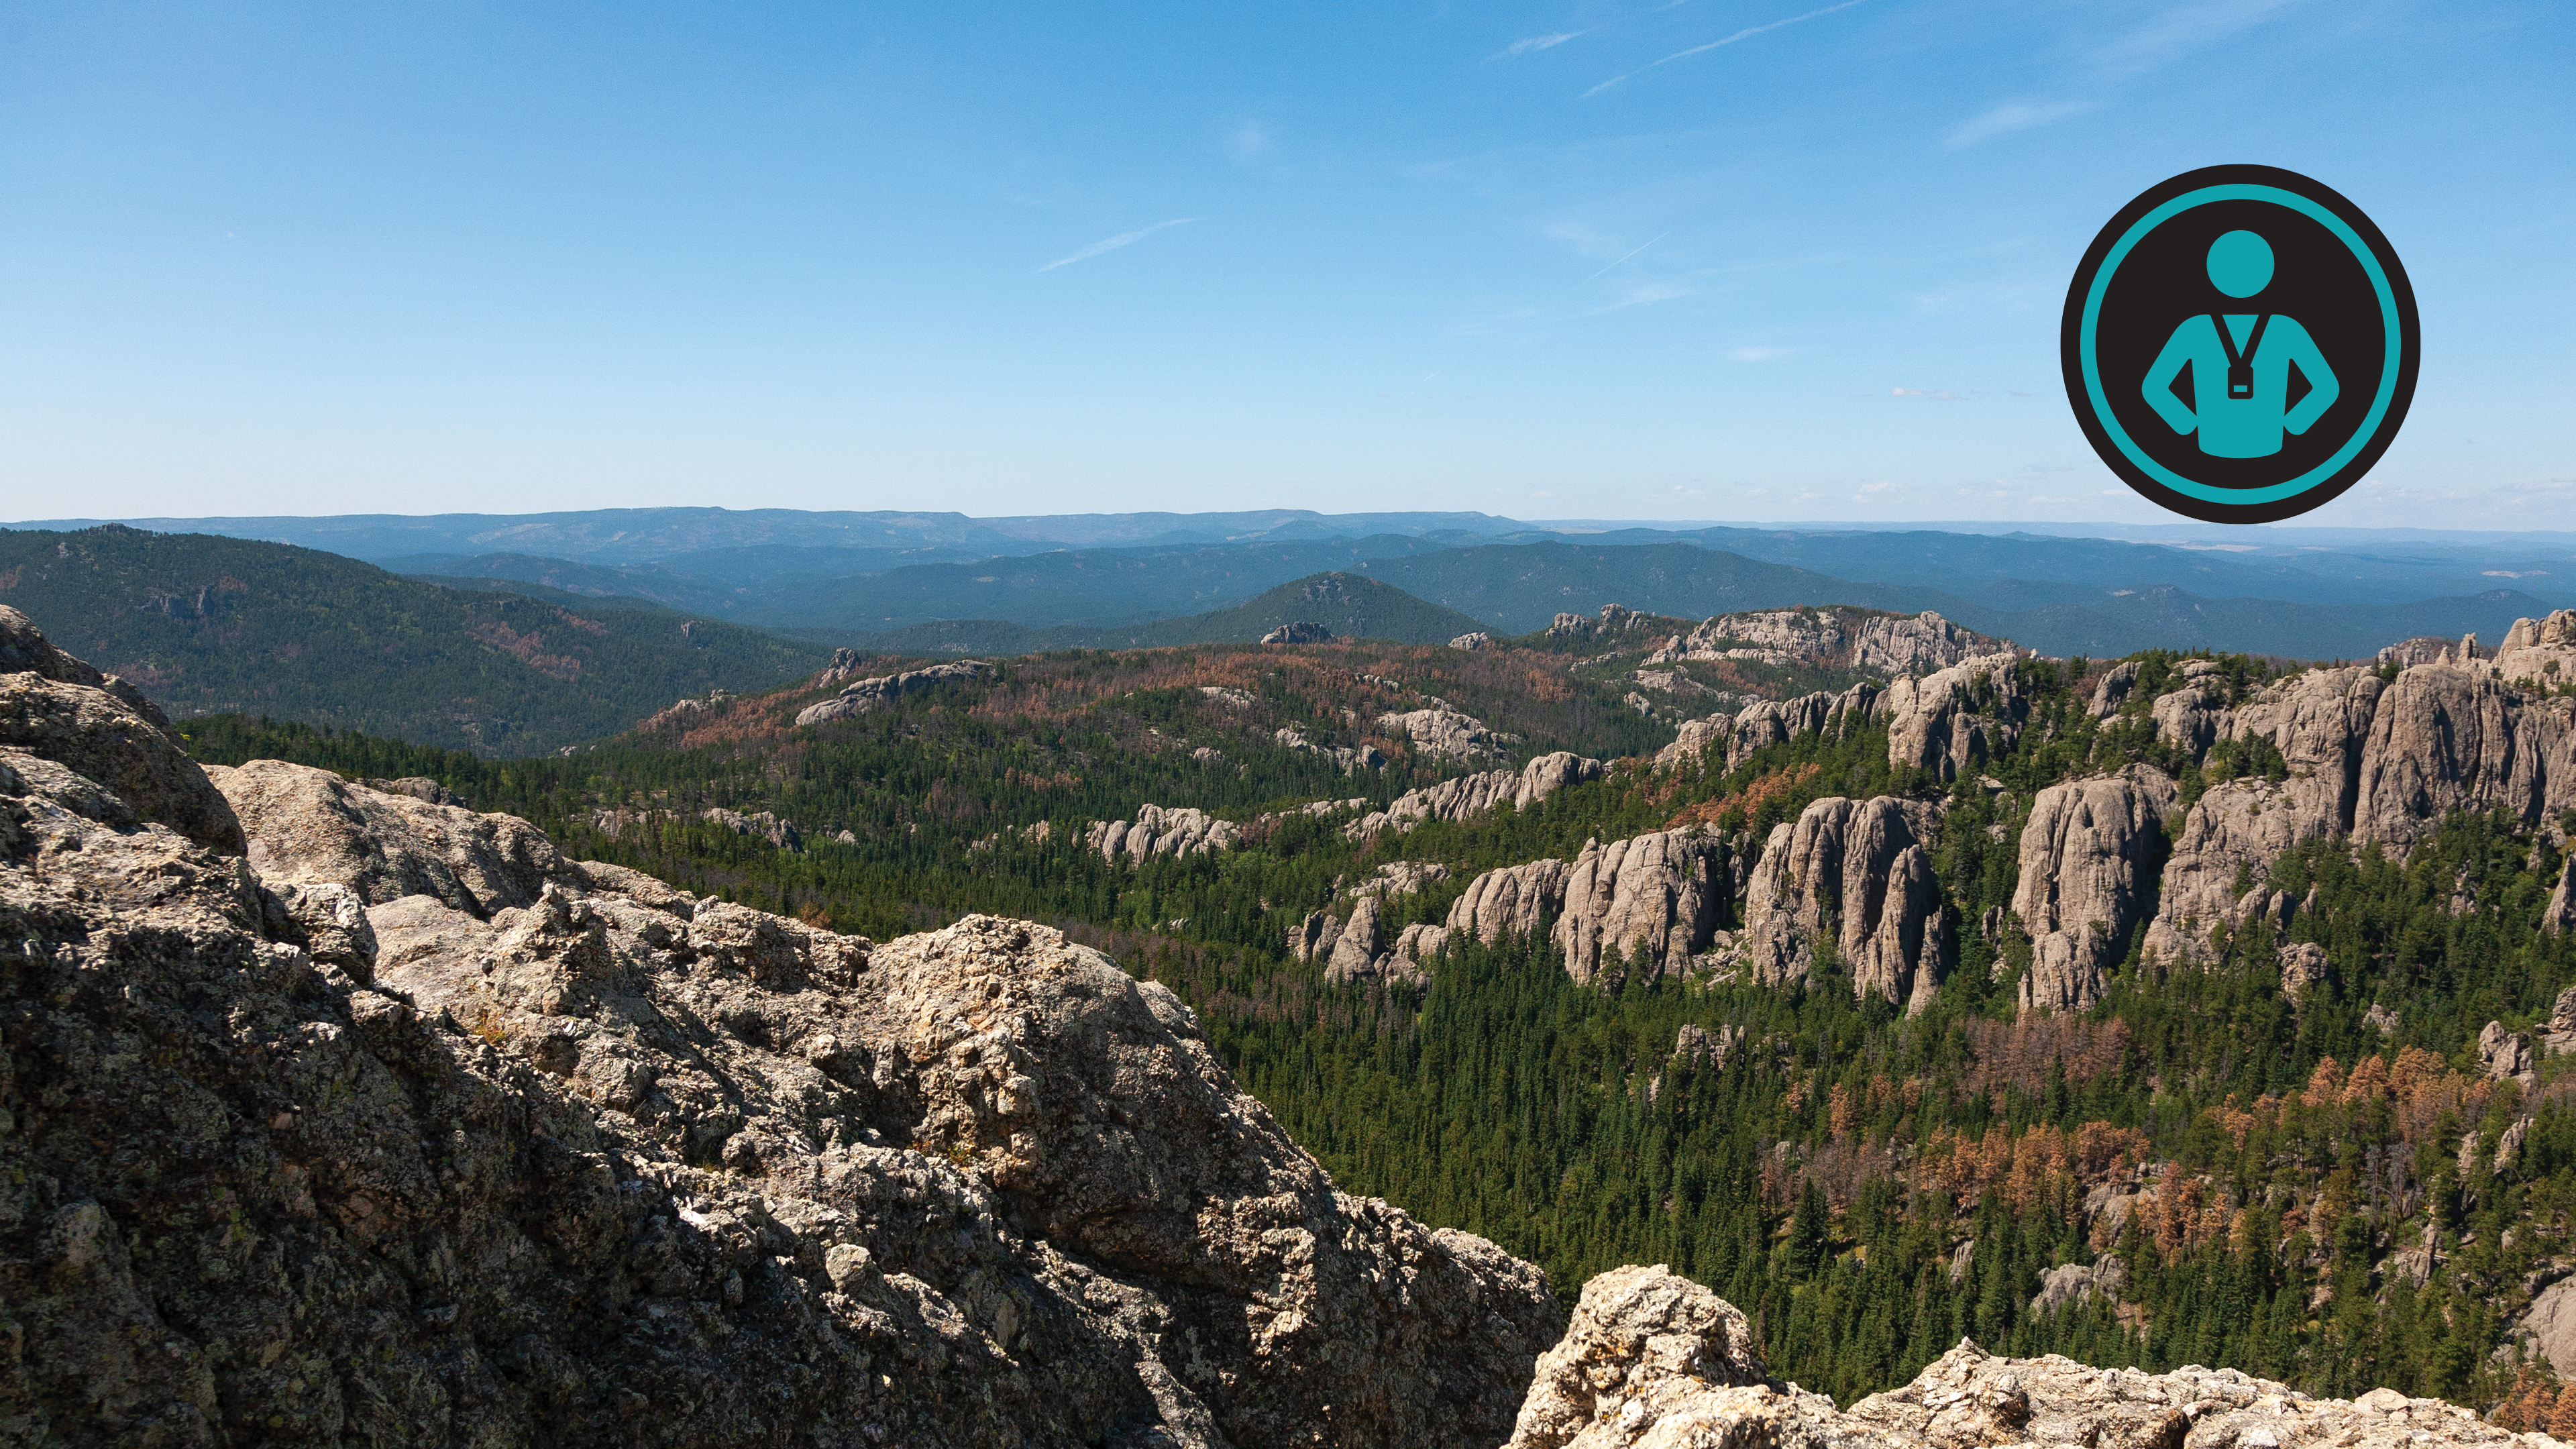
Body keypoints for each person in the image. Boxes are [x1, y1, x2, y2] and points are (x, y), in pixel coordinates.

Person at [2141, 229, 2337, 459]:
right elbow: (2327, 388)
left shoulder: (2194, 329)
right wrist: (2292, 425)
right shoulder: (2287, 328)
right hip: (2268, 441)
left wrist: (2188, 425)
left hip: (2212, 441)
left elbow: (2154, 388)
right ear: (2267, 271)